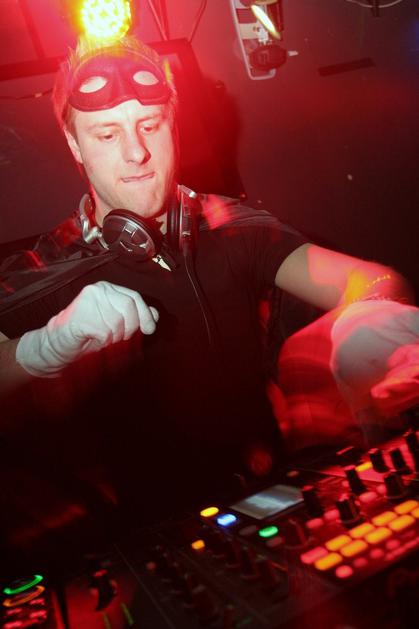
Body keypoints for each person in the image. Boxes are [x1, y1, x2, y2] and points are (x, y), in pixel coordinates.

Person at [0, 35, 417, 531]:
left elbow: (371, 280)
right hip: (150, 535)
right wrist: (45, 347)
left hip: (277, 499)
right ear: (75, 144)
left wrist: (363, 324)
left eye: (149, 125)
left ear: (172, 125)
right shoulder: (49, 265)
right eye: (107, 135)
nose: (136, 152)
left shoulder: (232, 226)